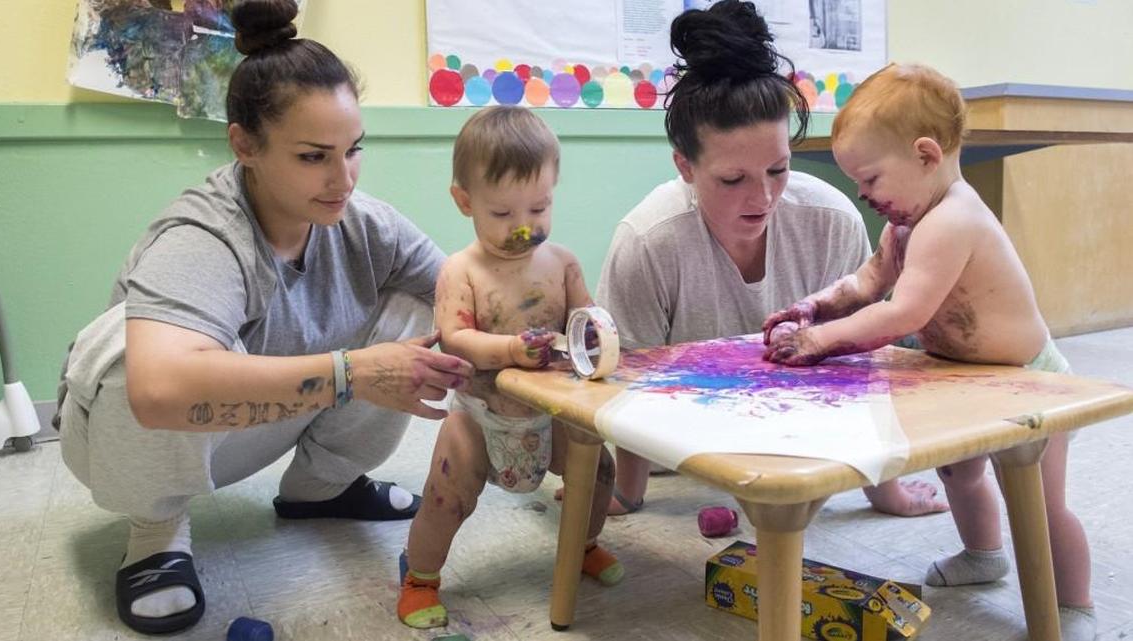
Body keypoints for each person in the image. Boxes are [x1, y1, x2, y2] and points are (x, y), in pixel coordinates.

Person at [54, 0, 474, 634]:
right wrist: (353, 371)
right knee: (135, 351)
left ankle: (322, 486)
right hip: (133, 437)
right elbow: (157, 391)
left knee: (427, 307)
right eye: (313, 156)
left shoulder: (364, 224)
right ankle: (156, 529)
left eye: (353, 149)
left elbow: (462, 291)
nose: (344, 179)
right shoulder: (202, 235)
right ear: (244, 145)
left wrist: (544, 315)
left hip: (252, 424)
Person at [570, 0, 947, 519]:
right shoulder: (648, 241)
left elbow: (863, 367)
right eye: (733, 180)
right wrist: (628, 496)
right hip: (676, 443)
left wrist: (888, 492)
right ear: (685, 165)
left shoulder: (830, 219)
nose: (763, 197)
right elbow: (627, 383)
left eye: (778, 169)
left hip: (798, 432)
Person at [762, 63, 1095, 641]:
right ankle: (984, 554)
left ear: (924, 154)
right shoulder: (907, 221)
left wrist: (818, 342)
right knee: (960, 474)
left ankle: (1074, 607)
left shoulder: (952, 218)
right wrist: (814, 308)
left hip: (1030, 380)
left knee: (1041, 506)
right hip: (966, 379)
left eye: (869, 180)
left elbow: (902, 314)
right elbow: (868, 282)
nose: (865, 198)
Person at [396, 106, 622, 630]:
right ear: (464, 201)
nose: (524, 228)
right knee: (445, 497)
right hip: (481, 414)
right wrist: (511, 350)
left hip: (551, 410)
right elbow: (457, 338)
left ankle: (583, 545)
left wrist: (594, 334)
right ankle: (420, 578)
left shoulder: (561, 263)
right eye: (502, 214)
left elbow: (585, 316)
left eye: (539, 208)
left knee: (599, 471)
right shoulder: (462, 269)